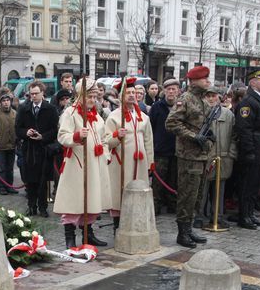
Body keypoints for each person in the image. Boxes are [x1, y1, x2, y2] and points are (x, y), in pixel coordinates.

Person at [55, 77, 111, 248]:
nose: (93, 100)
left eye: (94, 97)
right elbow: (62, 136)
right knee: (74, 200)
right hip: (77, 164)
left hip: (95, 164)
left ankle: (88, 233)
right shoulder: (70, 113)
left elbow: (104, 138)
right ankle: (70, 236)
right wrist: (77, 136)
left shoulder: (97, 117)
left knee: (92, 199)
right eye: (89, 97)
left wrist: (106, 155)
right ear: (81, 96)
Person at [165, 65, 213, 247]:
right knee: (187, 195)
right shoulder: (185, 99)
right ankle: (182, 233)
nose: (207, 81)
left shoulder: (203, 101)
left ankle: (190, 228)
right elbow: (171, 123)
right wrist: (194, 136)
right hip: (188, 156)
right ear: (193, 81)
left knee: (197, 196)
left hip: (201, 155)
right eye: (204, 79)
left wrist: (208, 137)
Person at [104, 77, 154, 232]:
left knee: (139, 190)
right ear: (121, 96)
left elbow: (148, 140)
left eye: (134, 92)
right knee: (121, 193)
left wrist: (150, 161)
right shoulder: (113, 117)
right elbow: (106, 141)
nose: (132, 95)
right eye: (128, 93)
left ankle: (137, 224)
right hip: (121, 162)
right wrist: (117, 135)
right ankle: (118, 227)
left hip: (140, 162)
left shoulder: (144, 118)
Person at [234, 68, 260, 230]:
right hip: (254, 146)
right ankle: (244, 215)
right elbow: (244, 129)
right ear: (252, 82)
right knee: (247, 184)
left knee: (256, 183)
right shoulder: (248, 102)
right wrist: (249, 151)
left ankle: (250, 213)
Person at [15, 80, 60, 217]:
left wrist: (43, 136)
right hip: (29, 149)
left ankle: (42, 207)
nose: (33, 96)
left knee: (42, 181)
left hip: (43, 149)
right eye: (31, 94)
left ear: (42, 93)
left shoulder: (50, 109)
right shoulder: (24, 108)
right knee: (30, 181)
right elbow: (17, 129)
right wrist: (25, 133)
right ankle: (31, 206)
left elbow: (54, 130)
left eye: (36, 93)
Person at [200, 87, 237, 227]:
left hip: (223, 156)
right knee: (202, 190)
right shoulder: (200, 113)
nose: (210, 99)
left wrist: (231, 154)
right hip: (205, 157)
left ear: (219, 97)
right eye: (208, 96)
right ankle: (199, 215)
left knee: (219, 190)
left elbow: (234, 136)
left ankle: (218, 216)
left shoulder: (228, 115)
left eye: (213, 96)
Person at [149, 78, 180, 215]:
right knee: (158, 182)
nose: (171, 92)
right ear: (164, 91)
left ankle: (172, 205)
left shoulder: (181, 107)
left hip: (176, 150)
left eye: (173, 89)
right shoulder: (157, 107)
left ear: (178, 91)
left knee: (173, 181)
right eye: (168, 89)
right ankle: (155, 207)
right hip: (160, 151)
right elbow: (151, 127)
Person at [0, 93, 18, 195]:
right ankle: (1, 187)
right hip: (0, 146)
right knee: (1, 168)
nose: (6, 103)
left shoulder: (14, 113)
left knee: (10, 168)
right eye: (4, 101)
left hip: (12, 146)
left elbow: (17, 128)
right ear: (1, 102)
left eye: (8, 100)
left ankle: (9, 186)